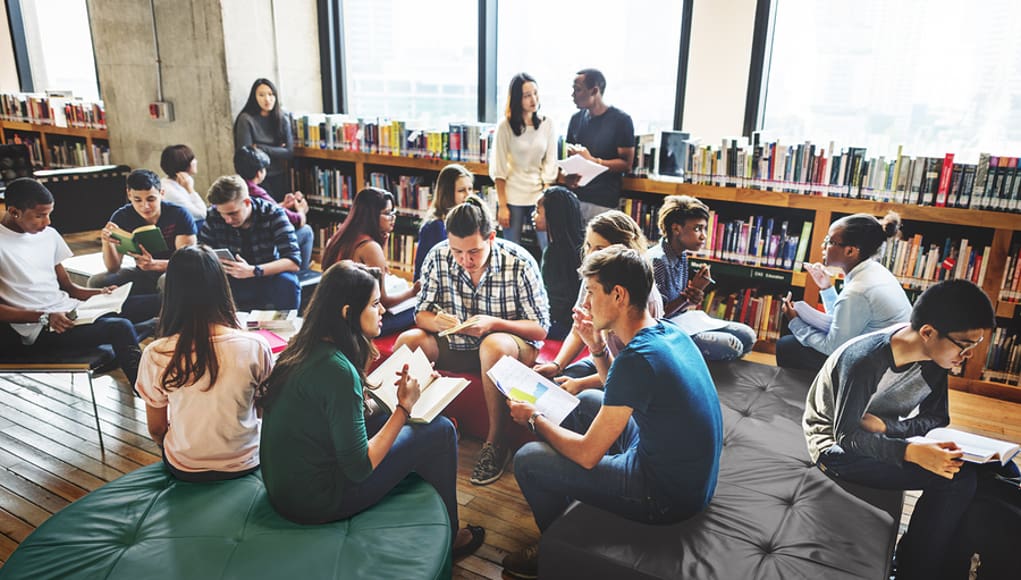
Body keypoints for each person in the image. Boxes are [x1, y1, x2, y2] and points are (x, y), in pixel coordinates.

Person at [502, 245, 723, 579]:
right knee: (587, 400)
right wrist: (596, 346)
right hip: (689, 478)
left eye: (591, 293)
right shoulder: (666, 331)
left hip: (664, 496)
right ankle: (572, 522)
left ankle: (559, 547)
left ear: (618, 295)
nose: (585, 303)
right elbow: (617, 386)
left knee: (528, 458)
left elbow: (589, 454)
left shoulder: (637, 359)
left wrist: (533, 418)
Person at [258, 260, 485, 558]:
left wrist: (403, 397)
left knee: (386, 412)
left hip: (283, 488)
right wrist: (404, 408)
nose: (382, 311)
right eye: (375, 304)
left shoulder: (302, 347)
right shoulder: (337, 370)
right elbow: (358, 466)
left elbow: (339, 411)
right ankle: (451, 538)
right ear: (347, 312)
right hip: (317, 502)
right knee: (441, 430)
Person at [803, 279, 1015, 580]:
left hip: (879, 436)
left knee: (1003, 469)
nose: (967, 357)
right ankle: (914, 569)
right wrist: (911, 451)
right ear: (928, 332)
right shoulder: (865, 360)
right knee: (956, 480)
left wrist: (889, 426)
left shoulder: (934, 359)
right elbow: (847, 437)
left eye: (975, 347)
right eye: (965, 346)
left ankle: (954, 564)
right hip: (833, 449)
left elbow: (937, 419)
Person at [394, 199, 549, 486]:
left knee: (492, 344)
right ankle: (403, 428)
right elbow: (421, 314)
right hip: (455, 346)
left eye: (474, 251)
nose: (465, 260)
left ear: (491, 237)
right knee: (409, 340)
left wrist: (493, 324)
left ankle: (495, 443)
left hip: (508, 347)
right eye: (457, 252)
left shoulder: (519, 261)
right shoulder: (438, 255)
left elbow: (540, 328)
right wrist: (436, 322)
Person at [0, 178, 156, 388]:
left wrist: (100, 293)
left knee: (159, 301)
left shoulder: (48, 235)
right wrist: (44, 316)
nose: (47, 222)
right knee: (121, 327)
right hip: (42, 328)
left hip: (73, 310)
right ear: (14, 211)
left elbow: (70, 288)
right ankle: (147, 394)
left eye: (49, 214)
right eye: (39, 215)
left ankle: (141, 332)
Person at [136, 245, 272, 482]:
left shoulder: (156, 353)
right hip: (246, 460)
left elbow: (157, 430)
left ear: (171, 292)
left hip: (185, 464)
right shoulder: (256, 345)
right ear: (221, 287)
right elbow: (262, 410)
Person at [533, 210, 663, 395]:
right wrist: (556, 364)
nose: (590, 255)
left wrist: (581, 384)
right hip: (606, 357)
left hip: (632, 373)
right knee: (559, 380)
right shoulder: (596, 277)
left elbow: (632, 371)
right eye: (588, 246)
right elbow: (578, 330)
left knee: (581, 395)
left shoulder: (644, 298)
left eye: (600, 249)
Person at [778, 212, 912, 373]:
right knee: (794, 338)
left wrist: (795, 322)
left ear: (850, 251)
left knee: (786, 345)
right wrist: (826, 287)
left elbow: (833, 347)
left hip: (874, 368)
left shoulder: (858, 291)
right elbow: (843, 322)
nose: (823, 246)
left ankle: (817, 396)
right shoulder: (873, 269)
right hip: (887, 355)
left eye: (829, 241)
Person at [648, 195, 756, 360]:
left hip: (683, 320)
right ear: (676, 229)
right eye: (697, 229)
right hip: (664, 330)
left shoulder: (681, 255)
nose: (703, 236)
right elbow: (656, 316)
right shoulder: (658, 261)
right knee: (730, 346)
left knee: (747, 336)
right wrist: (691, 292)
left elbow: (681, 304)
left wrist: (692, 297)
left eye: (704, 229)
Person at [321, 187, 420, 335]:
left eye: (393, 212)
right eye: (387, 213)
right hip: (356, 323)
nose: (393, 217)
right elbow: (384, 301)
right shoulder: (370, 247)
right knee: (418, 309)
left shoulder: (339, 237)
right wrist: (413, 292)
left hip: (333, 315)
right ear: (372, 216)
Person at [90, 169, 197, 300]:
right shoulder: (121, 217)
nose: (145, 206)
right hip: (142, 272)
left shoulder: (179, 214)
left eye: (151, 199)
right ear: (129, 195)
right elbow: (113, 267)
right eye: (137, 200)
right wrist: (106, 242)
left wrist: (155, 264)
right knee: (97, 282)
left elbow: (189, 262)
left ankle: (164, 317)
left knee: (166, 280)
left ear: (161, 193)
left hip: (173, 271)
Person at [198, 175, 301, 311]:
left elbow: (293, 262)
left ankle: (284, 327)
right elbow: (202, 252)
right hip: (231, 278)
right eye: (223, 214)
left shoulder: (273, 214)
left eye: (233, 213)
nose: (228, 220)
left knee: (288, 282)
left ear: (247, 202)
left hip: (266, 274)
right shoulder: (213, 215)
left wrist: (253, 271)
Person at [490, 73, 559, 248]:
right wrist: (503, 206)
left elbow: (550, 164)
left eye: (535, 93)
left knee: (547, 246)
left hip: (539, 194)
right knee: (512, 248)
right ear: (516, 99)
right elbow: (499, 168)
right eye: (527, 95)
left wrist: (545, 200)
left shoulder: (547, 124)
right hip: (513, 195)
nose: (533, 99)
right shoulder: (504, 126)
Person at [564, 69, 635, 223]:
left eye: (578, 89)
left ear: (594, 90)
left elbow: (626, 164)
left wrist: (593, 161)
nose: (573, 95)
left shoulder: (621, 121)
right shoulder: (576, 120)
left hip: (602, 202)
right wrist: (568, 176)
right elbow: (570, 160)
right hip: (575, 199)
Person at [234, 145, 313, 274]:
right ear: (260, 172)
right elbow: (296, 221)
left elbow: (263, 210)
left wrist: (282, 205)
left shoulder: (237, 187)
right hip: (266, 247)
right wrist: (301, 210)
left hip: (245, 248)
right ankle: (301, 275)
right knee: (306, 231)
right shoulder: (257, 191)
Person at [532, 186, 584, 341]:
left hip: (560, 326)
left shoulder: (554, 253)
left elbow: (552, 301)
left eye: (537, 211)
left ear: (553, 215)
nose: (533, 215)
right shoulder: (580, 246)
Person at [234, 78, 294, 200]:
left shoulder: (282, 118)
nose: (267, 99)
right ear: (254, 97)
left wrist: (260, 147)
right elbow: (247, 156)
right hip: (256, 178)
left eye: (271, 94)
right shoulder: (246, 119)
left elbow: (289, 152)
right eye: (261, 95)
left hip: (279, 174)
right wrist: (277, 150)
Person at [414, 164, 475, 281]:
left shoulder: (466, 220)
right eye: (461, 190)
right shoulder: (435, 226)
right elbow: (425, 271)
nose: (468, 195)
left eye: (470, 189)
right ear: (448, 193)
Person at [159, 144, 207, 224]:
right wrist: (190, 190)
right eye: (193, 159)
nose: (196, 161)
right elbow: (202, 214)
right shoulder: (169, 191)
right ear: (184, 163)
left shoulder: (185, 181)